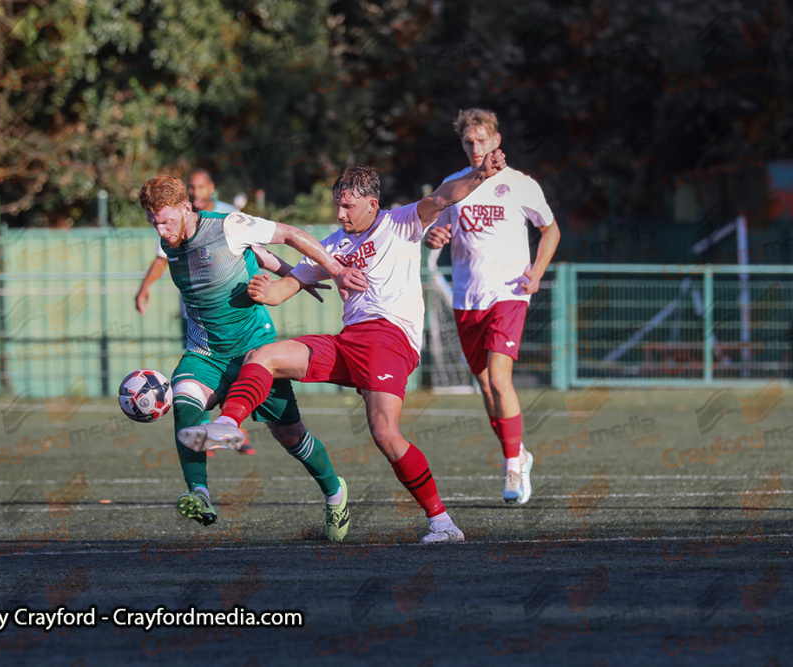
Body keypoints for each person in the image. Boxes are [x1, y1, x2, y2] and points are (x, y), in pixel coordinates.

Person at [179, 150, 507, 544]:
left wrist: (480, 175)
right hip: (348, 341)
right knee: (262, 356)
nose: (340, 214)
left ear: (372, 204)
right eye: (337, 205)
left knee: (385, 434)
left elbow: (443, 197)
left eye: (348, 206)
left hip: (389, 339)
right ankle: (227, 424)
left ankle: (442, 523)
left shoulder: (401, 222)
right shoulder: (332, 245)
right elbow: (285, 290)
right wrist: (264, 291)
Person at [138, 174, 368, 541]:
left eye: (166, 220)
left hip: (254, 351)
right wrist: (291, 273)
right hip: (206, 351)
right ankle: (200, 494)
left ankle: (334, 490)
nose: (161, 230)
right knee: (183, 399)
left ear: (186, 207)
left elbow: (288, 234)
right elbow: (255, 254)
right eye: (153, 222)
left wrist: (330, 272)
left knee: (291, 436)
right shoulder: (170, 240)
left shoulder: (227, 225)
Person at [424, 108, 561, 505]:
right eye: (468, 141)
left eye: (482, 140)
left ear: (496, 141)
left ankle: (512, 468)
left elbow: (549, 229)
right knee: (485, 385)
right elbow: (435, 226)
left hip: (510, 292)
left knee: (500, 378)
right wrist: (436, 235)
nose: (475, 147)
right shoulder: (452, 185)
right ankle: (519, 452)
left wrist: (536, 272)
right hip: (468, 298)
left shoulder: (521, 185)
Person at [135, 169, 237, 316]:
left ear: (211, 187)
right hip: (195, 311)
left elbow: (254, 252)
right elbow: (161, 260)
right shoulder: (174, 221)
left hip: (231, 308)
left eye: (201, 187)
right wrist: (145, 286)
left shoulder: (230, 215)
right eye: (191, 187)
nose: (196, 192)